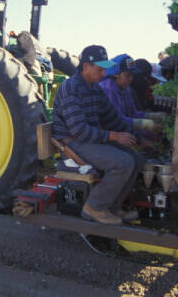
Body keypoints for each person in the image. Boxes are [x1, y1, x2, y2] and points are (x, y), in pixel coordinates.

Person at [52, 45, 143, 225]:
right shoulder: (70, 88)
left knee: (137, 159)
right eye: (99, 69)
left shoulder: (95, 88)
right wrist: (115, 137)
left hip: (90, 139)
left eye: (104, 69)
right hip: (73, 143)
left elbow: (112, 118)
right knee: (123, 163)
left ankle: (112, 207)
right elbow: (79, 131)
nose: (103, 74)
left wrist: (137, 138)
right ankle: (94, 207)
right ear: (86, 66)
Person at [99, 54, 166, 135]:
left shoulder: (125, 88)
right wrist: (145, 124)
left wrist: (153, 116)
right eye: (128, 75)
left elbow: (133, 113)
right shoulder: (107, 89)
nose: (131, 79)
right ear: (116, 74)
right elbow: (116, 120)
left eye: (132, 75)